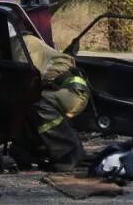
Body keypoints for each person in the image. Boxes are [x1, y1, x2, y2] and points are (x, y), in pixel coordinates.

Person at [17, 33, 89, 171]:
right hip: (64, 90)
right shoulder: (23, 42)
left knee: (37, 105)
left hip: (72, 92)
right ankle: (41, 151)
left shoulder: (24, 46)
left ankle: (69, 155)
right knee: (29, 104)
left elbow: (28, 77)